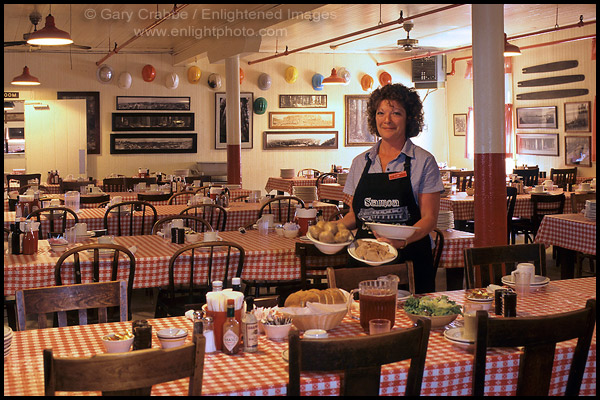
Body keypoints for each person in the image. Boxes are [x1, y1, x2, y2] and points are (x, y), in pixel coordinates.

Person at [340, 83, 443, 293]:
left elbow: (429, 219)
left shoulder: (423, 161)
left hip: (410, 259)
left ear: (409, 118)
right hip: (364, 258)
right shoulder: (361, 162)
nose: (387, 120)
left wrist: (401, 242)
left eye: (396, 113)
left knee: (412, 322)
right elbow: (355, 215)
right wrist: (330, 230)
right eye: (381, 113)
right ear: (373, 117)